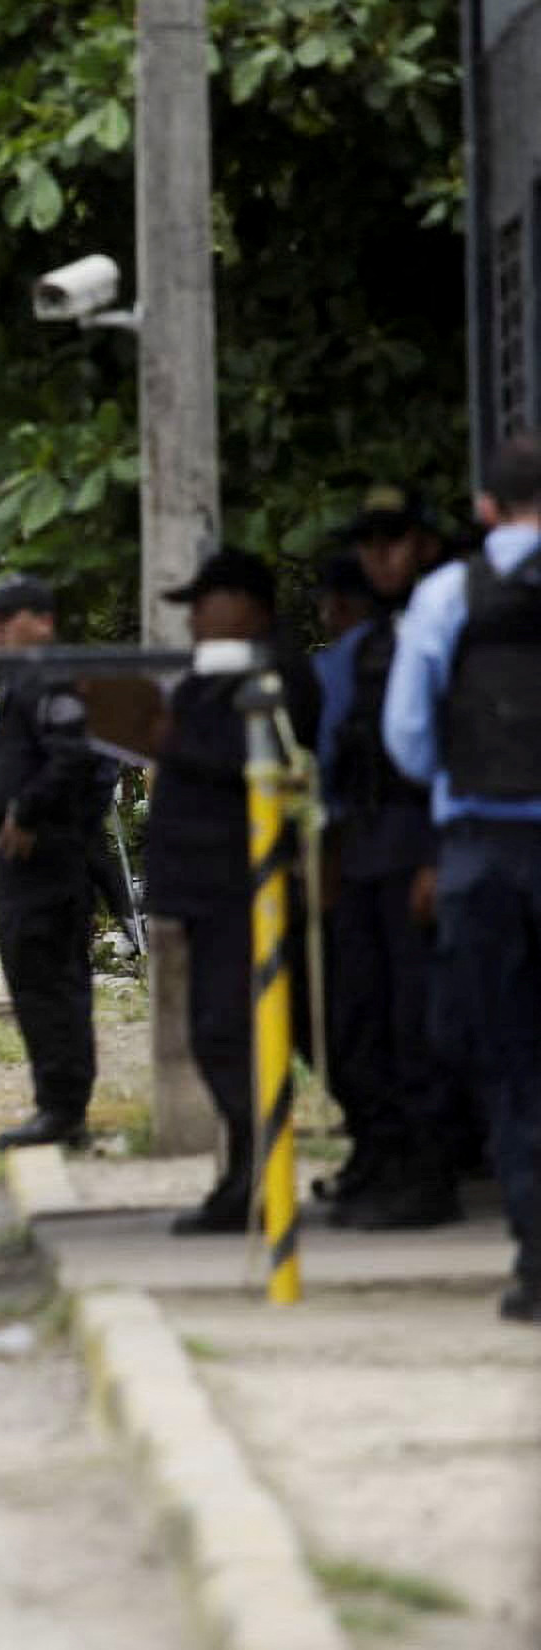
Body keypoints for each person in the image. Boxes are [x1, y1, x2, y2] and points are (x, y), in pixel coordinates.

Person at [383, 438, 541, 1325]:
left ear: (484, 508)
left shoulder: (449, 594)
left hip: (484, 848)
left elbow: (407, 734)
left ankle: (537, 1261)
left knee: (513, 1061)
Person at [141, 551, 313, 1233]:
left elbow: (264, 762)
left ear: (246, 605)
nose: (194, 618)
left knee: (235, 1033)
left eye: (205, 602)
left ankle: (258, 1181)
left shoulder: (273, 673)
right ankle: (246, 1174)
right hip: (206, 888)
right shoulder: (212, 677)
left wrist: (172, 742)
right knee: (223, 1035)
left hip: (246, 888)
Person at [314, 493, 461, 1229]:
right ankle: (387, 1159)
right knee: (362, 1018)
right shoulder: (369, 645)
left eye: (393, 540)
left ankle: (430, 1176)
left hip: (419, 845)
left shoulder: (451, 621)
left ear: (426, 545)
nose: (380, 556)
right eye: (368, 543)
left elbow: (455, 753)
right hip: (368, 847)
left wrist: (439, 854)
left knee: (418, 1022)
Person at [0, 575, 105, 1154]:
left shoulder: (49, 676)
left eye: (8, 617)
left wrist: (24, 811)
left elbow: (73, 755)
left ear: (43, 621)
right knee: (33, 986)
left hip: (48, 863)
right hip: (21, 867)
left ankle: (62, 1108)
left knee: (50, 987)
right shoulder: (20, 681)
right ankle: (56, 1105)